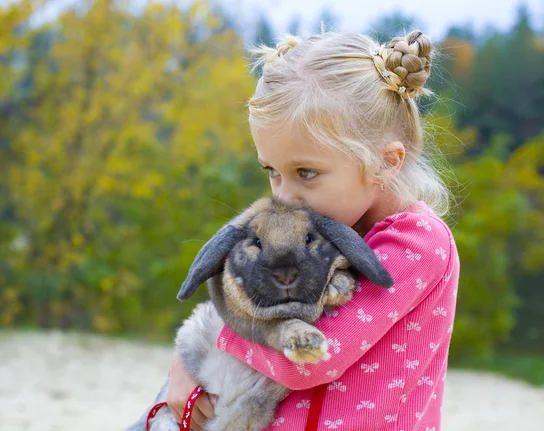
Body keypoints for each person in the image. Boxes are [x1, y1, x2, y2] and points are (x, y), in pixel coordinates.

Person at [162, 29, 460, 431]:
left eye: (306, 172)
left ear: (385, 162)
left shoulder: (418, 243)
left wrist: (212, 342)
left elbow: (307, 360)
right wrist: (187, 364)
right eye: (272, 172)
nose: (285, 196)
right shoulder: (314, 228)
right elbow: (246, 303)